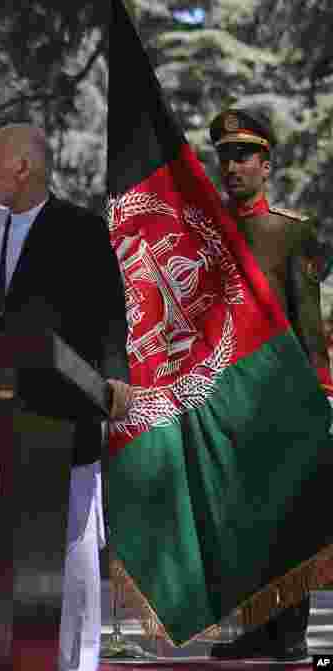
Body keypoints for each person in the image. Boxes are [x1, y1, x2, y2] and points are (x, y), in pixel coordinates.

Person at [0, 123, 130, 671]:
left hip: (60, 416)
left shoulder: (79, 230)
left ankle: (75, 662)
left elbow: (107, 317)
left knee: (69, 555)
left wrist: (114, 377)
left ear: (24, 167)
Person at [205, 106, 327, 662]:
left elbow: (307, 320)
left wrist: (320, 389)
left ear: (265, 163)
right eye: (224, 156)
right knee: (241, 521)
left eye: (243, 156)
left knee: (288, 521)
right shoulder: (206, 236)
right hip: (225, 398)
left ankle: (292, 631)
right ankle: (256, 627)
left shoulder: (289, 233)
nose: (232, 167)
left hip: (280, 398)